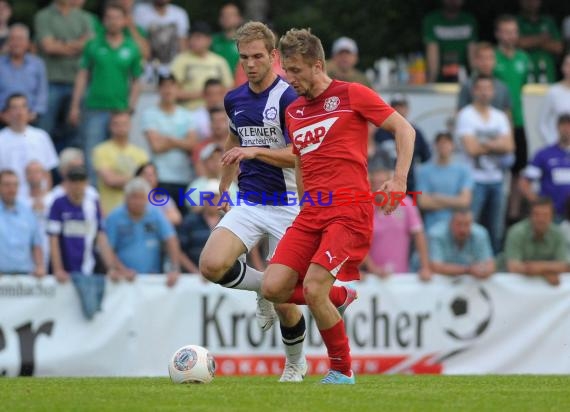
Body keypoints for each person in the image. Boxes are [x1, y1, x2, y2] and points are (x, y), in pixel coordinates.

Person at [261, 28, 415, 384]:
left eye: (296, 70)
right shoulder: (295, 111)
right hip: (311, 212)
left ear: (318, 65)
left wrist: (399, 180)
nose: (290, 78)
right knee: (273, 288)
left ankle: (342, 371)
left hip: (349, 209)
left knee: (312, 289)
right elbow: (300, 161)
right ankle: (339, 294)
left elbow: (405, 130)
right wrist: (302, 205)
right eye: (287, 70)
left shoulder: (351, 94)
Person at [198, 21, 315, 383]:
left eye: (258, 57)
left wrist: (256, 151)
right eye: (244, 57)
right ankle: (263, 285)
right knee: (211, 265)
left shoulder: (289, 98)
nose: (250, 64)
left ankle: (295, 363)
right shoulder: (233, 99)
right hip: (249, 202)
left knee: (285, 302)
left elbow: (300, 154)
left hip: (289, 205)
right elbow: (234, 144)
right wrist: (222, 188)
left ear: (273, 56)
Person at [69, 3, 143, 182]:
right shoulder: (93, 45)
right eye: (109, 18)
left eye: (117, 18)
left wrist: (131, 106)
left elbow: (136, 80)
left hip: (120, 110)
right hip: (94, 107)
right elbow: (82, 75)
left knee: (119, 156)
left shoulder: (132, 47)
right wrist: (74, 106)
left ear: (124, 21)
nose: (113, 22)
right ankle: (93, 198)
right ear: (103, 21)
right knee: (92, 154)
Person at [456, 75, 514, 254]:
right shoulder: (466, 115)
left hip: (497, 180)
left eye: (488, 88)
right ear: (473, 91)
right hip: (474, 181)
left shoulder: (500, 117)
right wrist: (496, 144)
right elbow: (471, 149)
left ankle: (493, 264)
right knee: (471, 226)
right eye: (480, 88)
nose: (484, 92)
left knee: (495, 229)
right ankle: (471, 260)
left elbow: (510, 146)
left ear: (493, 91)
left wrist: (483, 144)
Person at [35, 0, 92, 151]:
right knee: (45, 131)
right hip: (51, 80)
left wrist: (61, 44)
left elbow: (90, 44)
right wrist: (77, 44)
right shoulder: (43, 16)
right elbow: (49, 47)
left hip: (77, 83)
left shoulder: (84, 17)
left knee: (75, 132)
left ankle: (69, 171)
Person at [106, 177, 180, 287]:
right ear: (126, 198)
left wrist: (174, 268)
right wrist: (121, 269)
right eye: (134, 197)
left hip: (152, 278)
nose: (138, 202)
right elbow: (107, 248)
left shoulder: (155, 214)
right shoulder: (114, 217)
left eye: (141, 197)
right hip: (124, 279)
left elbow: (171, 239)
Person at [142, 72, 197, 215]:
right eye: (164, 87)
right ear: (158, 90)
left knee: (183, 220)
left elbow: (192, 144)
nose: (168, 90)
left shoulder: (187, 114)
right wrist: (181, 142)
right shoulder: (150, 114)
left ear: (177, 89)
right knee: (164, 218)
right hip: (161, 177)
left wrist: (169, 140)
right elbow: (156, 146)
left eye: (172, 86)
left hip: (184, 177)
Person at [363, 164, 431, 280]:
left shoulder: (405, 203)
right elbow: (357, 242)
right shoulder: (363, 207)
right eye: (374, 182)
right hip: (372, 277)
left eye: (382, 183)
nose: (378, 187)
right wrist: (373, 268)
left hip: (401, 276)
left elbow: (418, 234)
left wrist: (425, 267)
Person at [0, 93, 58, 201]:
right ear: (6, 113)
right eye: (14, 107)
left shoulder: (41, 136)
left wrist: (45, 199)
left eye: (23, 106)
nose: (19, 112)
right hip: (8, 201)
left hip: (38, 200)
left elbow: (47, 172)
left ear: (29, 111)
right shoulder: (1, 139)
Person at [92, 111, 148, 216]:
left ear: (130, 125)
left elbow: (147, 183)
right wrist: (137, 177)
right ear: (110, 126)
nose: (120, 127)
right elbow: (110, 180)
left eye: (124, 124)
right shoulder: (100, 150)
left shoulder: (141, 153)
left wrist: (120, 178)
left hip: (137, 214)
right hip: (109, 211)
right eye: (116, 124)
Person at [504, 197, 570, 286]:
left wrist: (539, 267)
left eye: (545, 215)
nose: (541, 219)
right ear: (530, 216)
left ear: (552, 217)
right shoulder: (517, 232)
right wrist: (546, 273)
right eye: (537, 214)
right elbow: (513, 267)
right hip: (515, 286)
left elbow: (566, 266)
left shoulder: (558, 233)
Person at [416, 132, 474, 231]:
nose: (444, 146)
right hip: (431, 227)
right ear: (435, 146)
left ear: (453, 145)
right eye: (441, 143)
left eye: (447, 143)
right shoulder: (423, 171)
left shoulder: (464, 170)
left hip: (457, 228)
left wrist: (436, 197)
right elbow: (423, 202)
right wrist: (455, 202)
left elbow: (465, 201)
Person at [373, 94, 430, 192]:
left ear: (407, 109)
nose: (399, 109)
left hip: (409, 185)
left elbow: (425, 157)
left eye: (402, 106)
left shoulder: (415, 132)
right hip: (382, 186)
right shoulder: (379, 133)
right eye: (395, 106)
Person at [170, 21, 233, 111]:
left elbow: (229, 89)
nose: (193, 41)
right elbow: (171, 91)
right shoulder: (180, 60)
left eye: (198, 37)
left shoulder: (219, 61)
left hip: (216, 113)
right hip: (189, 111)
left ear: (209, 40)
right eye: (191, 37)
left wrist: (213, 97)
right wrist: (202, 94)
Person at [520, 114, 570, 220]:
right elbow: (524, 184)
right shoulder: (544, 154)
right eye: (564, 125)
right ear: (558, 127)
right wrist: (539, 204)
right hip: (552, 215)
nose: (567, 130)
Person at [0, 170, 45, 277]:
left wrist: (40, 266)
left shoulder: (28, 213)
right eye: (7, 185)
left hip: (24, 278)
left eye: (15, 185)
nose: (11, 189)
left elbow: (36, 243)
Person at [0, 24, 48, 123]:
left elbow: (42, 92)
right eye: (12, 39)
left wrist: (34, 114)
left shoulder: (37, 64)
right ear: (8, 43)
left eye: (20, 39)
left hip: (31, 118)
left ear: (28, 43)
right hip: (3, 118)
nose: (16, 43)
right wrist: (2, 116)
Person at [428, 209, 495, 278]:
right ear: (450, 223)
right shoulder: (437, 234)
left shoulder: (481, 234)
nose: (462, 229)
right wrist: (468, 270)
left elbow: (490, 265)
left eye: (467, 224)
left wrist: (484, 271)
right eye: (459, 224)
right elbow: (435, 267)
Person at [422, 0, 478, 83]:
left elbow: (473, 54)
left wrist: (476, 80)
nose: (453, 1)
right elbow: (432, 53)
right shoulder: (432, 20)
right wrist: (431, 82)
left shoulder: (469, 20)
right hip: (439, 78)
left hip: (464, 77)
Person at [179, 178, 223, 273]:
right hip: (193, 277)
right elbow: (180, 251)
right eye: (209, 197)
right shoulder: (190, 221)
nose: (213, 200)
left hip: (222, 276)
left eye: (216, 197)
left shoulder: (228, 221)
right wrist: (196, 272)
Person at [133, 0, 189, 71]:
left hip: (172, 68)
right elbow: (137, 38)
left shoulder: (180, 13)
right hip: (148, 67)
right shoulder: (140, 11)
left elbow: (182, 44)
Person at [456, 42, 511, 113]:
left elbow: (507, 116)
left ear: (495, 61)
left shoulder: (503, 87)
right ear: (475, 61)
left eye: (489, 58)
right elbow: (460, 113)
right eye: (482, 58)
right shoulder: (467, 86)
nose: (486, 62)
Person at [517, 0, 563, 84]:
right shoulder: (517, 21)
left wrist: (530, 42)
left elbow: (558, 48)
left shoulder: (548, 21)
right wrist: (542, 39)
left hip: (547, 71)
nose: (531, 3)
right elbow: (517, 43)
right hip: (523, 71)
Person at [135, 162, 181, 226]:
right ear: (137, 177)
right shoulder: (132, 200)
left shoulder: (164, 199)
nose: (149, 178)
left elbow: (176, 218)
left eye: (152, 174)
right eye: (145, 174)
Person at [538, 54, 570, 145]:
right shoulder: (553, 91)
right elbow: (542, 122)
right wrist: (551, 142)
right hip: (557, 143)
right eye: (568, 65)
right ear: (563, 68)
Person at [210, 2, 243, 75]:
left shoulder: (246, 41)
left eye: (231, 15)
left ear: (240, 19)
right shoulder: (211, 41)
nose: (226, 18)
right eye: (223, 15)